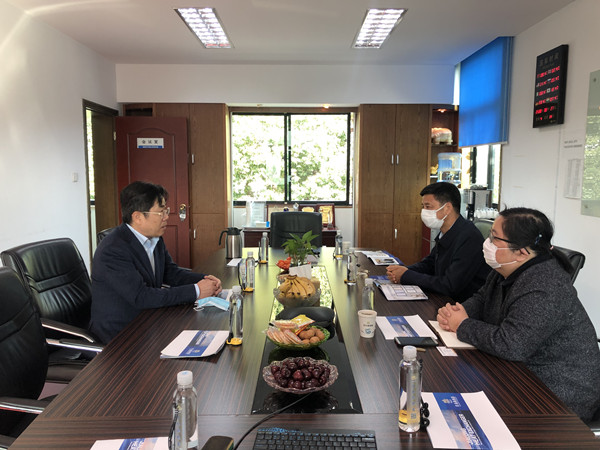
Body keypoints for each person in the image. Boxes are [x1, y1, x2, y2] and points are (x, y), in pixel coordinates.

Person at [437, 207, 600, 421]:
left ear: (522, 252)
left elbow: (512, 344)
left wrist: (462, 325)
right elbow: (483, 299)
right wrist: (459, 312)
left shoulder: (546, 285)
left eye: (495, 239)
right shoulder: (506, 269)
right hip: (520, 374)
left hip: (557, 394)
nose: (487, 243)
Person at [90, 181, 222, 344]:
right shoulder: (113, 249)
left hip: (149, 322)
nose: (166, 217)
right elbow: (141, 296)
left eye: (166, 211)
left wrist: (206, 280)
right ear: (138, 217)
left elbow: (172, 273)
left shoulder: (154, 238)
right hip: (121, 337)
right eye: (161, 212)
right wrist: (196, 290)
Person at [386, 182, 490, 301]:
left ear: (447, 208)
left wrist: (406, 275)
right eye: (423, 206)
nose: (424, 211)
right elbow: (430, 264)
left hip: (461, 304)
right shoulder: (446, 232)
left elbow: (449, 285)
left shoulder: (469, 237)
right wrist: (403, 270)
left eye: (428, 206)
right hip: (443, 300)